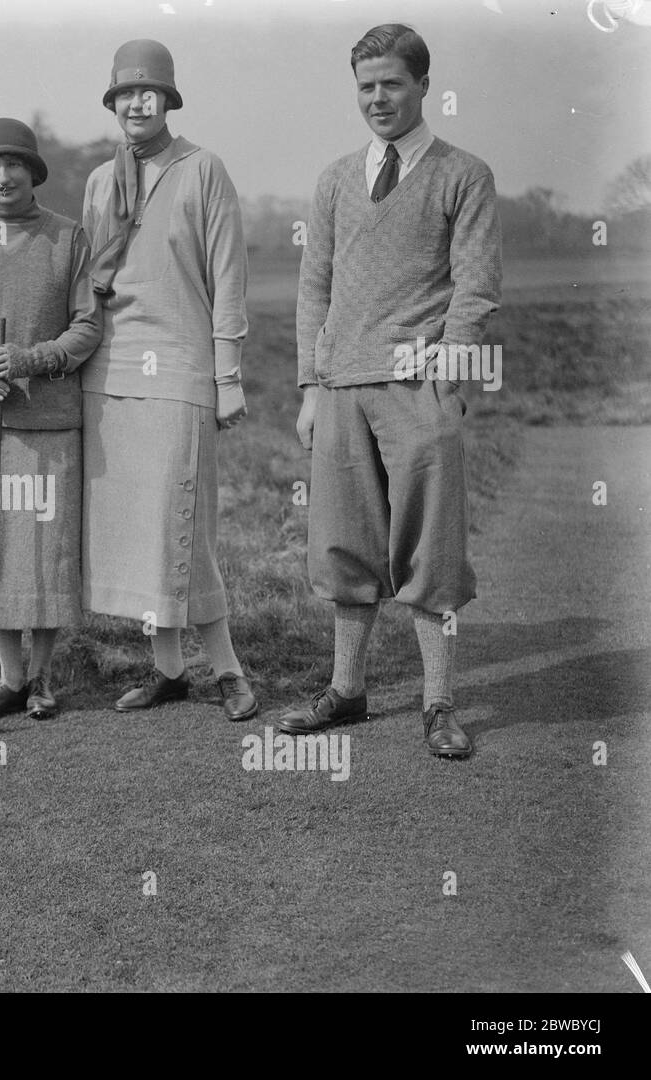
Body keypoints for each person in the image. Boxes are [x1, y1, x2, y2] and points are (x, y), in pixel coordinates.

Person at [280, 24, 502, 758]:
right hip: (342, 384)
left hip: (418, 389)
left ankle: (439, 703)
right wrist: (312, 386)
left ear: (421, 86)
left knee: (430, 551)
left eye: (392, 84)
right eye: (366, 86)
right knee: (345, 547)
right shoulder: (335, 179)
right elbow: (315, 288)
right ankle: (347, 691)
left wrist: (450, 374)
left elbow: (474, 289)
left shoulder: (463, 174)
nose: (378, 98)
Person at [81, 39, 258, 721]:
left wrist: (229, 373)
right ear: (113, 102)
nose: (136, 102)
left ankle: (229, 669)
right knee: (138, 527)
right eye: (125, 93)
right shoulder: (101, 182)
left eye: (148, 92)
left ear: (169, 99)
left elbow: (229, 277)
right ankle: (168, 669)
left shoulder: (204, 170)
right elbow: (88, 286)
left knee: (182, 522)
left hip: (182, 367)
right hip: (112, 370)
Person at [0, 119, 102, 722]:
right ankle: (8, 679)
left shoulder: (68, 237)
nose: (3, 178)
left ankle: (43, 679)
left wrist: (31, 358)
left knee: (45, 552)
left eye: (15, 166)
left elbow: (87, 326)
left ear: (33, 172)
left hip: (50, 421)